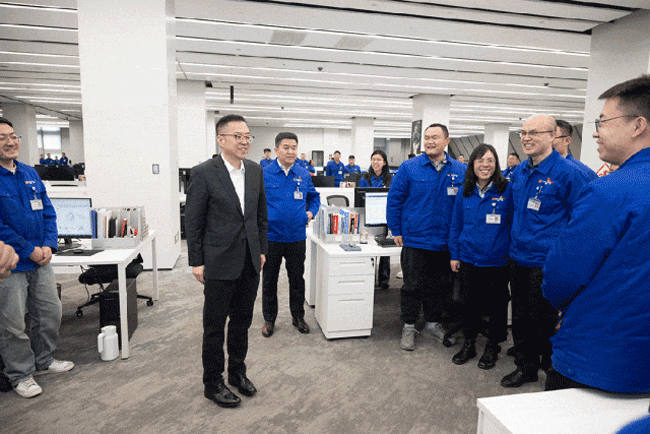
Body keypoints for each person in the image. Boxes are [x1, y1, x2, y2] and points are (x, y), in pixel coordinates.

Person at [542, 74, 650, 393]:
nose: (595, 131)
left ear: (638, 125)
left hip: (599, 358)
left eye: (603, 121)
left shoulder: (608, 192)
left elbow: (563, 275)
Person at [500, 114, 590, 388]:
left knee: (545, 320)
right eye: (523, 132)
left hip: (548, 262)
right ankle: (525, 367)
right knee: (521, 317)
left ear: (552, 136)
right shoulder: (520, 171)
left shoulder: (571, 174)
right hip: (518, 257)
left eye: (534, 132)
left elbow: (583, 222)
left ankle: (553, 369)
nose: (526, 138)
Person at [185, 114, 268, 408]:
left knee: (242, 322)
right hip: (218, 261)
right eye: (238, 136)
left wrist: (261, 250)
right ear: (221, 139)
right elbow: (193, 221)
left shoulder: (256, 171)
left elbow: (260, 216)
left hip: (249, 261)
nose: (245, 142)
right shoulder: (204, 173)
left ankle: (237, 372)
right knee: (214, 326)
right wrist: (196, 261)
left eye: (247, 136)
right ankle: (212, 382)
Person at [0, 117, 74, 399]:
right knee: (13, 323)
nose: (10, 142)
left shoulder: (29, 173)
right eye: (2, 138)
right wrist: (28, 249)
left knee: (50, 313)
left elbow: (48, 213)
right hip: (11, 264)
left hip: (41, 259)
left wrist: (49, 245)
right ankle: (20, 374)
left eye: (13, 136)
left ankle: (44, 359)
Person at [386, 123, 466, 351]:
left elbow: (465, 205)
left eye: (435, 137)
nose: (430, 141)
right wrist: (396, 229)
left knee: (439, 287)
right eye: (427, 137)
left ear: (447, 141)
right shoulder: (409, 167)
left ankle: (432, 323)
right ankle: (409, 326)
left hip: (444, 241)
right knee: (412, 286)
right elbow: (394, 199)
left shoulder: (460, 170)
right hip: (415, 239)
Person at [449, 144, 512, 370]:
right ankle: (469, 343)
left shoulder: (507, 190)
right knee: (469, 304)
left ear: (496, 164)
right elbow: (456, 225)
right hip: (468, 258)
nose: (485, 165)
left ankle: (493, 345)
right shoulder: (464, 191)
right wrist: (454, 255)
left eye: (490, 161)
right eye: (480, 160)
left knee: (497, 306)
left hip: (497, 260)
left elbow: (514, 224)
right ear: (472, 164)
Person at [261, 132, 320, 338]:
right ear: (276, 150)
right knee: (269, 280)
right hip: (271, 237)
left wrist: (310, 213)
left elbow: (314, 197)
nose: (290, 151)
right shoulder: (264, 173)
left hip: (296, 236)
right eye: (286, 147)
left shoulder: (303, 173)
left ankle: (298, 316)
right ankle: (269, 319)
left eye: (294, 147)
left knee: (297, 279)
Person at [359, 150, 392, 289]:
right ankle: (368, 278)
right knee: (369, 248)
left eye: (378, 159)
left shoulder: (390, 180)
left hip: (384, 217)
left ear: (384, 162)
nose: (375, 162)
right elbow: (359, 200)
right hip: (368, 217)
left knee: (385, 250)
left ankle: (384, 279)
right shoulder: (365, 179)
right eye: (373, 159)